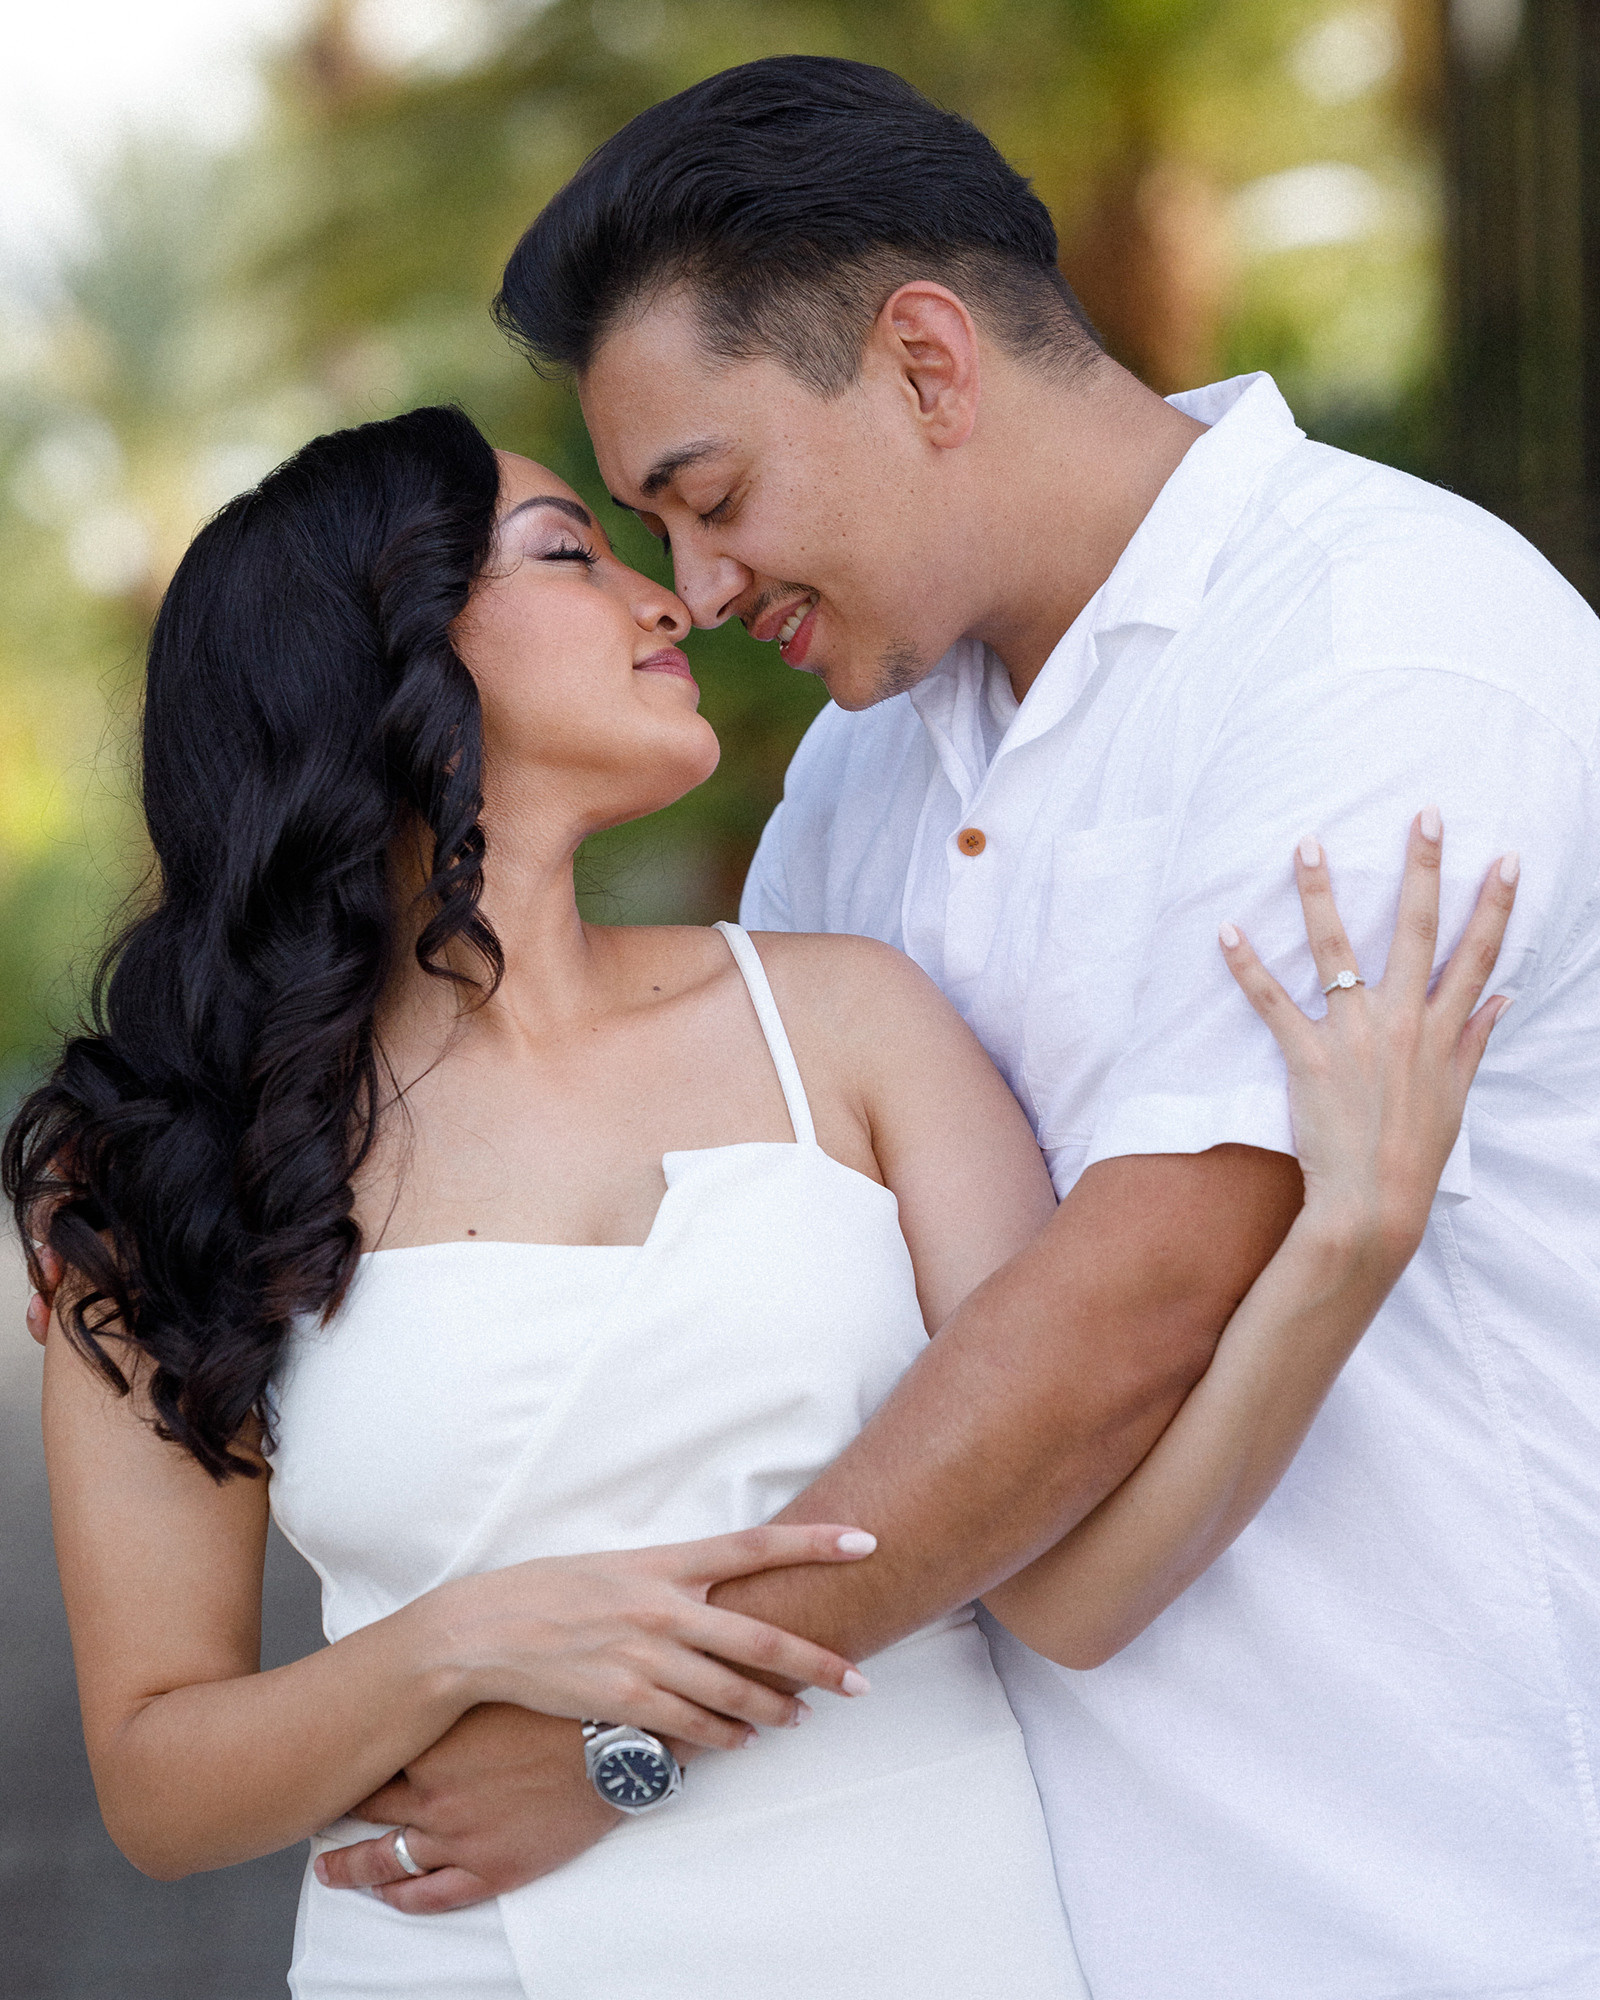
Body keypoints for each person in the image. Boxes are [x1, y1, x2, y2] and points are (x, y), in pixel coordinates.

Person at [305, 56, 1600, 2000]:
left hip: (1409, 1900)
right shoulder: (856, 778)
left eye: (711, 496)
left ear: (923, 361)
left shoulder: (1378, 651)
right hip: (983, 1915)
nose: (702, 588)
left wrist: (629, 1735)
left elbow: (1131, 1314)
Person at [14, 407, 1509, 1998]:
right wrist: (463, 1640)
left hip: (932, 1937)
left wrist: (1349, 1243)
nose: (669, 599)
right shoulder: (165, 1164)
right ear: (370, 662)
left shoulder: (849, 1023)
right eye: (569, 553)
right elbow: (162, 1785)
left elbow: (1082, 1587)